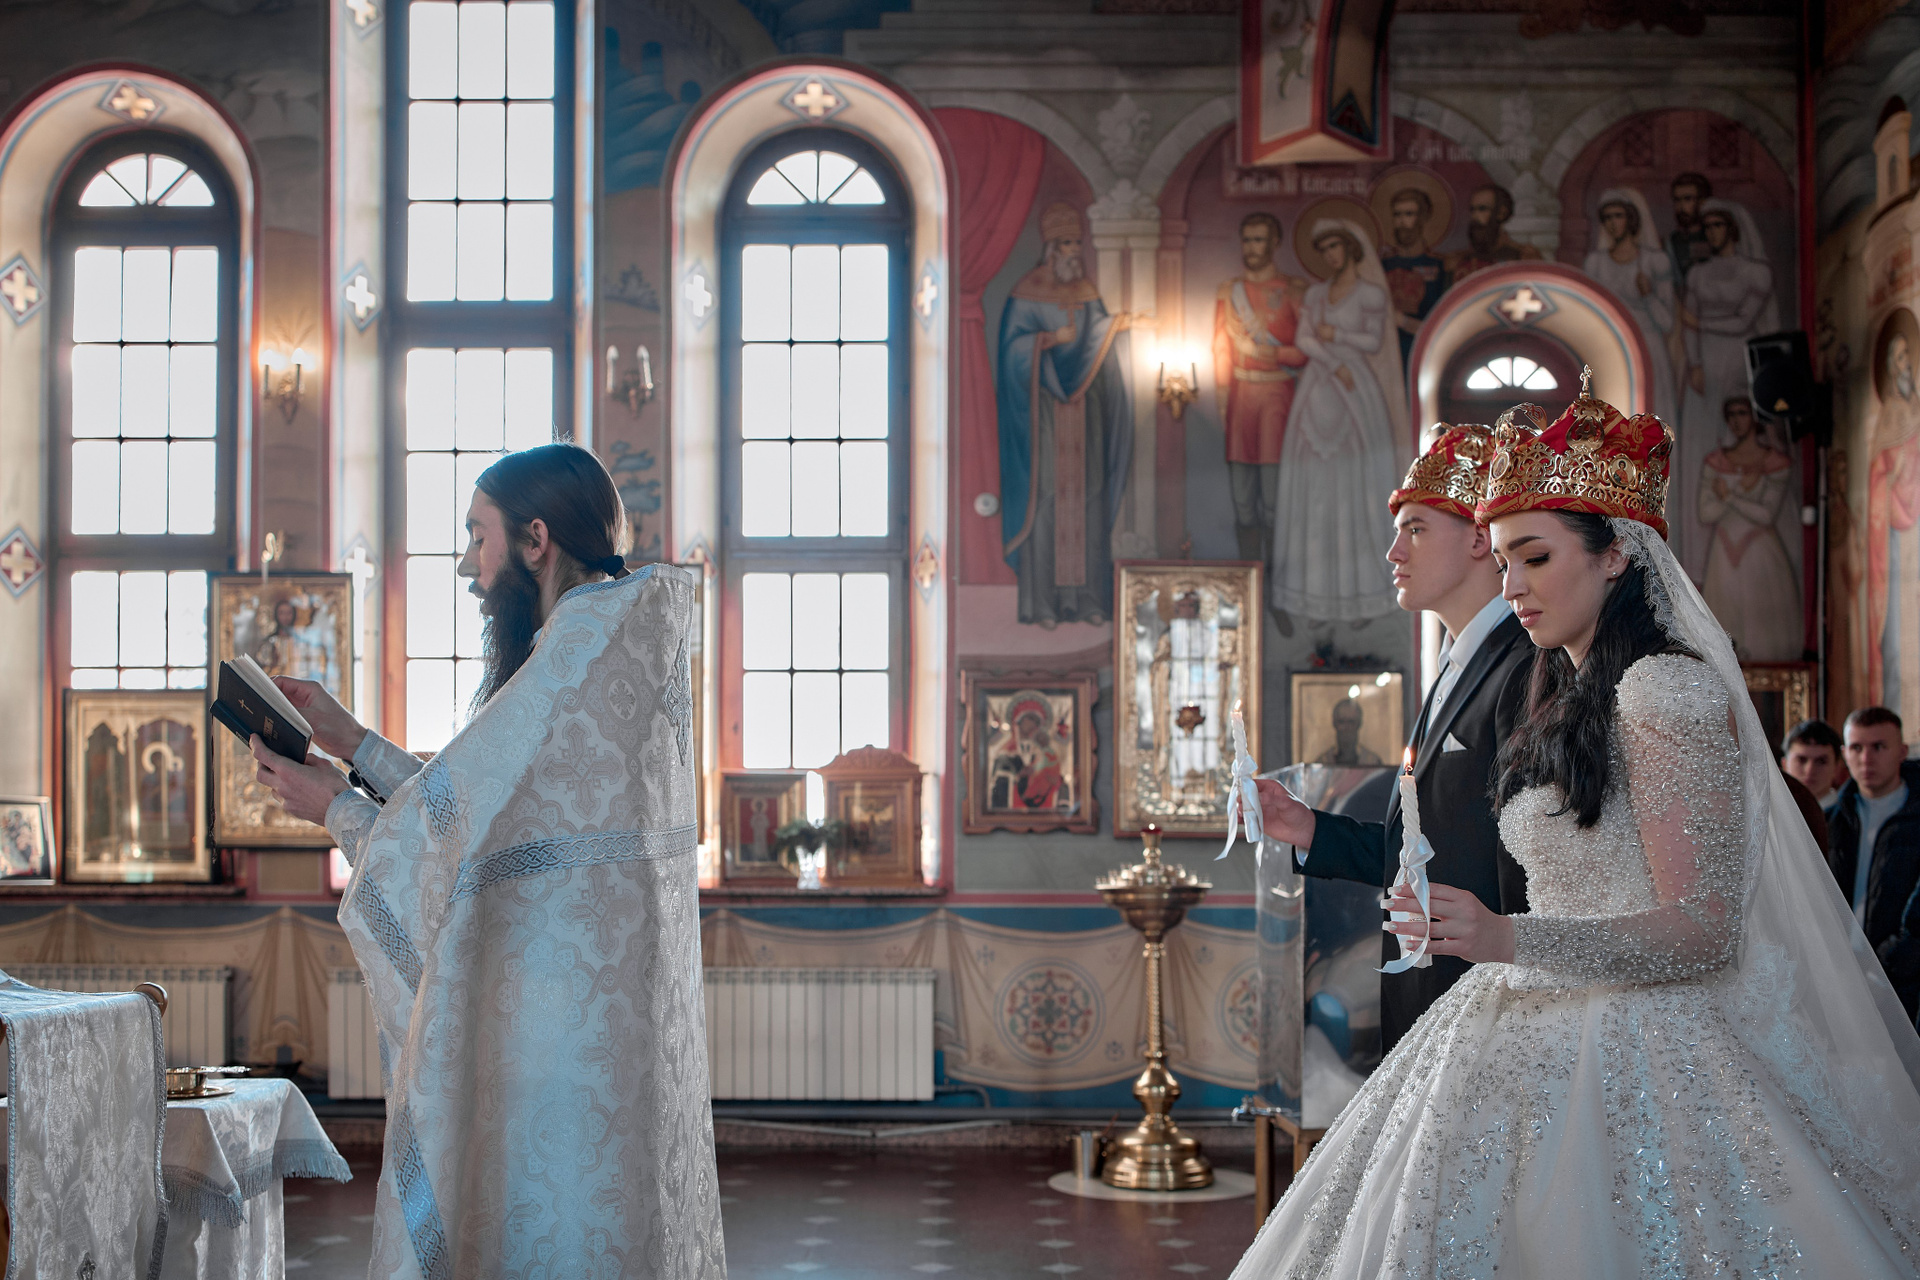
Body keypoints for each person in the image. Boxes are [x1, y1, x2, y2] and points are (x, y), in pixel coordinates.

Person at [1235, 377, 1920, 1277]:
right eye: (1504, 563)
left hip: (1641, 1047)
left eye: (1535, 557)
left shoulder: (1665, 689)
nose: (1513, 586)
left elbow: (1704, 930)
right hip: (1517, 1017)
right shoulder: (1567, 690)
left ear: (1615, 556)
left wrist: (1509, 937)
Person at [248, 443, 725, 1279]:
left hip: (551, 1039)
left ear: (536, 539)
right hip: (598, 1030)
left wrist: (334, 806)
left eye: (478, 536)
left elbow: (450, 833)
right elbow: (482, 809)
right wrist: (352, 741)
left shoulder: (575, 653)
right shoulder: (617, 639)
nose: (468, 566)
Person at [1263, 422, 1534, 1053]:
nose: (1393, 552)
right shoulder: (1454, 662)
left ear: (1479, 537)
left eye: (1414, 529)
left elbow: (1529, 860)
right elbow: (1424, 847)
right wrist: (1309, 829)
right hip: (1433, 993)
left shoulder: (1524, 663)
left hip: (1490, 1007)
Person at [996, 202, 1136, 627]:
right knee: (1047, 500)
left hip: (1085, 412)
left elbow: (1095, 339)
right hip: (1044, 413)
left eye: (1078, 242)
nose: (1075, 251)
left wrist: (1115, 325)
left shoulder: (1086, 290)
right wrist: (1046, 340)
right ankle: (1043, 604)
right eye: (1068, 243)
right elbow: (1010, 352)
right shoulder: (1026, 292)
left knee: (1088, 498)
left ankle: (1088, 602)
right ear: (1051, 248)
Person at [1270, 218, 1404, 627]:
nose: (1330, 255)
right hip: (1320, 386)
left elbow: (1374, 341)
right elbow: (1304, 339)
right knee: (1314, 493)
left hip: (1356, 391)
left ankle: (1360, 599)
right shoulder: (1316, 293)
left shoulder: (1370, 294)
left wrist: (1337, 337)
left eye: (1335, 247)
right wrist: (1332, 362)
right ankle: (1315, 602)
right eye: (1324, 249)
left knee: (1356, 488)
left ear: (1350, 248)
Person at [1211, 211, 1307, 563]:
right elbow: (1221, 348)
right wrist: (1224, 399)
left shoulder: (1294, 290)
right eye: (1247, 240)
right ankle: (1251, 573)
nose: (1252, 247)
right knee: (1242, 500)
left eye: (1259, 240)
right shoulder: (1229, 292)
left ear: (1274, 243)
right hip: (1240, 401)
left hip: (1278, 399)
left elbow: (1306, 351)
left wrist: (1271, 353)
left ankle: (1278, 576)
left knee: (1274, 499)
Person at [1828, 706, 1920, 1018]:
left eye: (1879, 747)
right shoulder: (1831, 822)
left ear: (1902, 752)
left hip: (1904, 979)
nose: (1866, 759)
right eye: (1856, 748)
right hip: (1840, 973)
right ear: (1844, 753)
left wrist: (1886, 966)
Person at [1698, 395, 1801, 660]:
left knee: (1762, 635)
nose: (1736, 421)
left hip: (1760, 553)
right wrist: (1736, 495)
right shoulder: (1716, 461)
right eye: (1731, 414)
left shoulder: (1775, 462)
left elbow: (1766, 515)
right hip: (1724, 553)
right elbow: (1706, 513)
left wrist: (1730, 496)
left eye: (1742, 413)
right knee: (1725, 624)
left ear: (1755, 417)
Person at [1582, 187, 1678, 425]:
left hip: (1649, 345)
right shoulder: (1596, 264)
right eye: (1607, 218)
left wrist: (1648, 296)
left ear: (1631, 219)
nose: (1613, 223)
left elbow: (1667, 322)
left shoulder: (1654, 261)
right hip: (1611, 346)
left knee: (1652, 412)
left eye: (1618, 216)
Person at [1443, 184, 1540, 287]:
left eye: (1482, 209)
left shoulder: (1523, 257)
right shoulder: (1460, 260)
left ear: (1501, 213)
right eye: (1472, 210)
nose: (1475, 216)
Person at [1782, 717, 1847, 809]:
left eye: (1821, 761)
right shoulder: (1769, 812)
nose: (1810, 770)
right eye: (1801, 760)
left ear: (1836, 768)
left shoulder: (1849, 813)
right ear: (1785, 764)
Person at [1313, 698, 1382, 766]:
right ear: (1334, 723)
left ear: (1359, 723)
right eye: (1342, 722)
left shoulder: (1372, 761)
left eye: (1351, 722)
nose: (1346, 727)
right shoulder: (1323, 762)